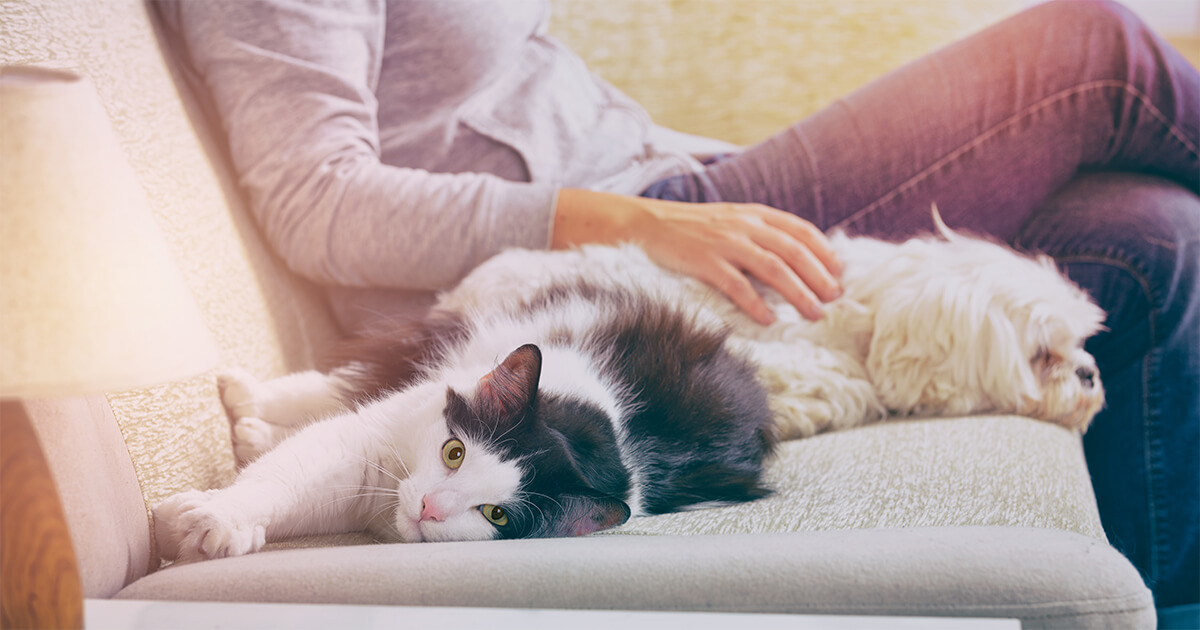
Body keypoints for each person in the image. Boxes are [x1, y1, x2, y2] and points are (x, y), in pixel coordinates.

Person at [157, 0, 1198, 624]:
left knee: (1148, 236)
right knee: (1093, 49)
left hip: (676, 194)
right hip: (639, 243)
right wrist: (644, 222)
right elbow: (317, 203)